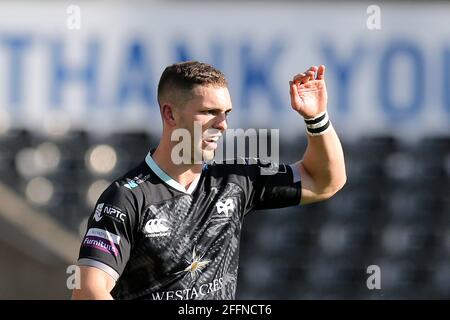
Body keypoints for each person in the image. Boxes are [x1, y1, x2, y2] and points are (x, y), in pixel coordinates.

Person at [72, 61, 346, 300]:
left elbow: (324, 182)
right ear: (170, 114)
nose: (223, 124)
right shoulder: (128, 197)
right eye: (209, 112)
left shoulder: (235, 180)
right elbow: (88, 291)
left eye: (226, 113)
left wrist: (316, 118)